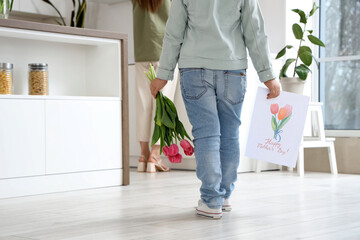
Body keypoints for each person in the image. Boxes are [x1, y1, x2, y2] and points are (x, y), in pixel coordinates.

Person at [150, 0, 281, 219]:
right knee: (229, 135)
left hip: (194, 69)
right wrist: (268, 75)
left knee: (207, 134)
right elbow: (255, 32)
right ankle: (224, 195)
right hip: (233, 69)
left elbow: (174, 33)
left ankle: (212, 200)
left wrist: (163, 74)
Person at [133, 0, 178, 173]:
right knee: (163, 105)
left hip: (141, 52)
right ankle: (155, 154)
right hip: (166, 54)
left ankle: (144, 155)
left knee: (143, 106)